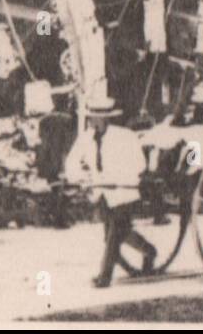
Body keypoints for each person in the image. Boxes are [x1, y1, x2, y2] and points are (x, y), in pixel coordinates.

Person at [64, 96, 154, 287]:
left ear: (105, 119)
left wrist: (118, 176)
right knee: (116, 234)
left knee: (114, 233)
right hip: (101, 193)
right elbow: (71, 163)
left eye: (94, 118)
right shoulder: (86, 138)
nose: (91, 121)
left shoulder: (125, 137)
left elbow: (139, 164)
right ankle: (149, 250)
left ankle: (104, 277)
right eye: (89, 117)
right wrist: (80, 177)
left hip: (124, 193)